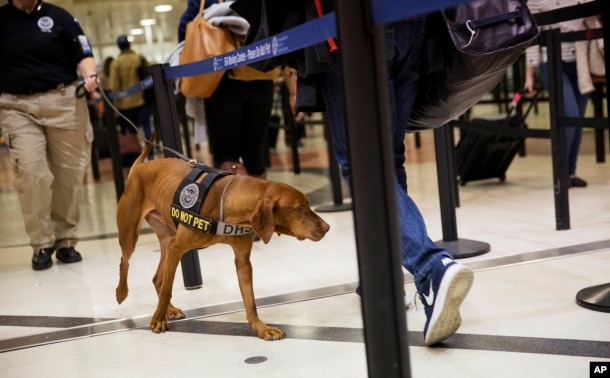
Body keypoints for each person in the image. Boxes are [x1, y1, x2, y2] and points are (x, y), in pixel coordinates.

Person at [230, 0, 474, 346]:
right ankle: (384, 276)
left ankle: (430, 267)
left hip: (348, 24)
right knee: (387, 157)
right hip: (412, 21)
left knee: (360, 162)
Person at [0, 0, 99, 270]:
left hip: (64, 101)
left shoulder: (60, 17)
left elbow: (83, 52)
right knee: (32, 172)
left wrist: (90, 75)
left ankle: (65, 240)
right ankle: (41, 243)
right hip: (16, 106)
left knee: (69, 173)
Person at [178, 0, 278, 178]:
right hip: (261, 75)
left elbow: (185, 28)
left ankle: (235, 204)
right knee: (254, 153)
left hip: (222, 81)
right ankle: (259, 203)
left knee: (226, 155)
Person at [524, 0, 592, 188]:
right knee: (569, 115)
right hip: (553, 63)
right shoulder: (536, 1)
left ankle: (570, 172)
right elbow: (532, 37)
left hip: (582, 62)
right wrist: (529, 74)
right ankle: (560, 173)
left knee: (578, 121)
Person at [109, 35, 153, 145]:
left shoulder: (116, 63)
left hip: (126, 104)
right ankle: (151, 153)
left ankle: (137, 156)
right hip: (142, 100)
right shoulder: (139, 58)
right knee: (146, 127)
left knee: (132, 132)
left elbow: (114, 86)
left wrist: (116, 106)